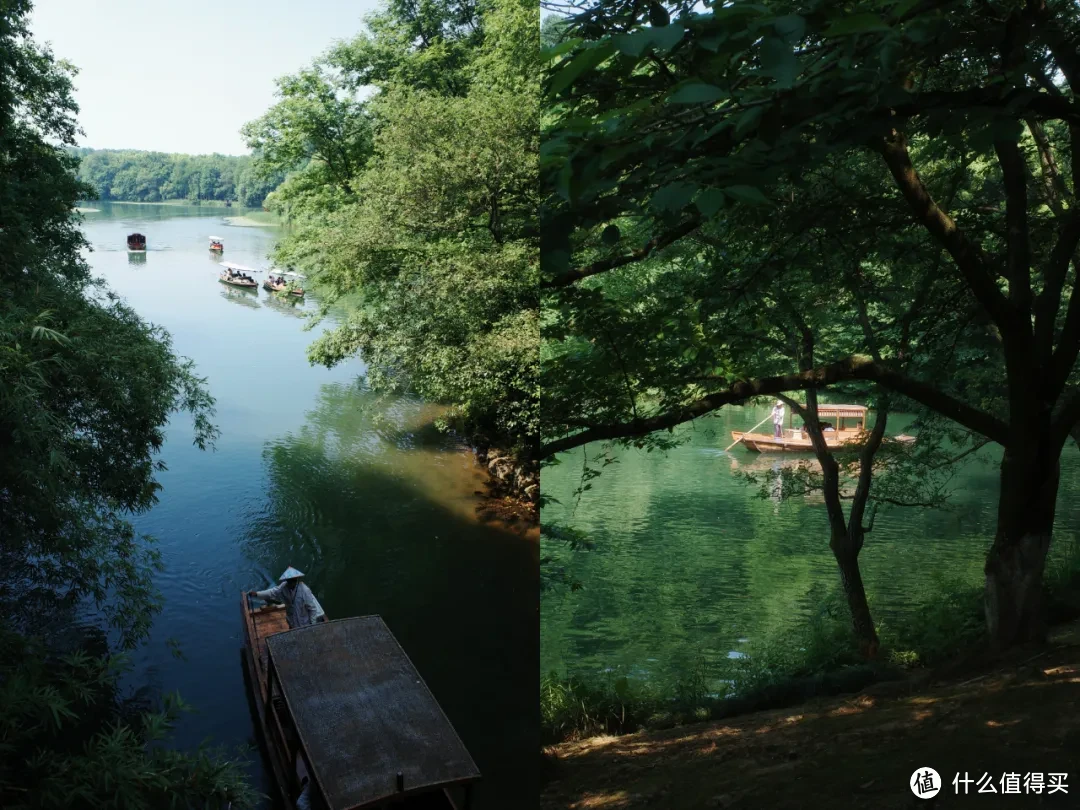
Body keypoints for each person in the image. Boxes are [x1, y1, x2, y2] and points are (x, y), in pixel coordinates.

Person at [248, 567, 326, 629]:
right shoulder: (283, 587)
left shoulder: (305, 590)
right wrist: (257, 594)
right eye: (290, 581)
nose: (292, 583)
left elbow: (312, 609)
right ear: (287, 581)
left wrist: (312, 626)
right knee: (292, 631)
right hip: (291, 620)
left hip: (304, 623)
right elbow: (272, 592)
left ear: (296, 580)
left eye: (293, 580)